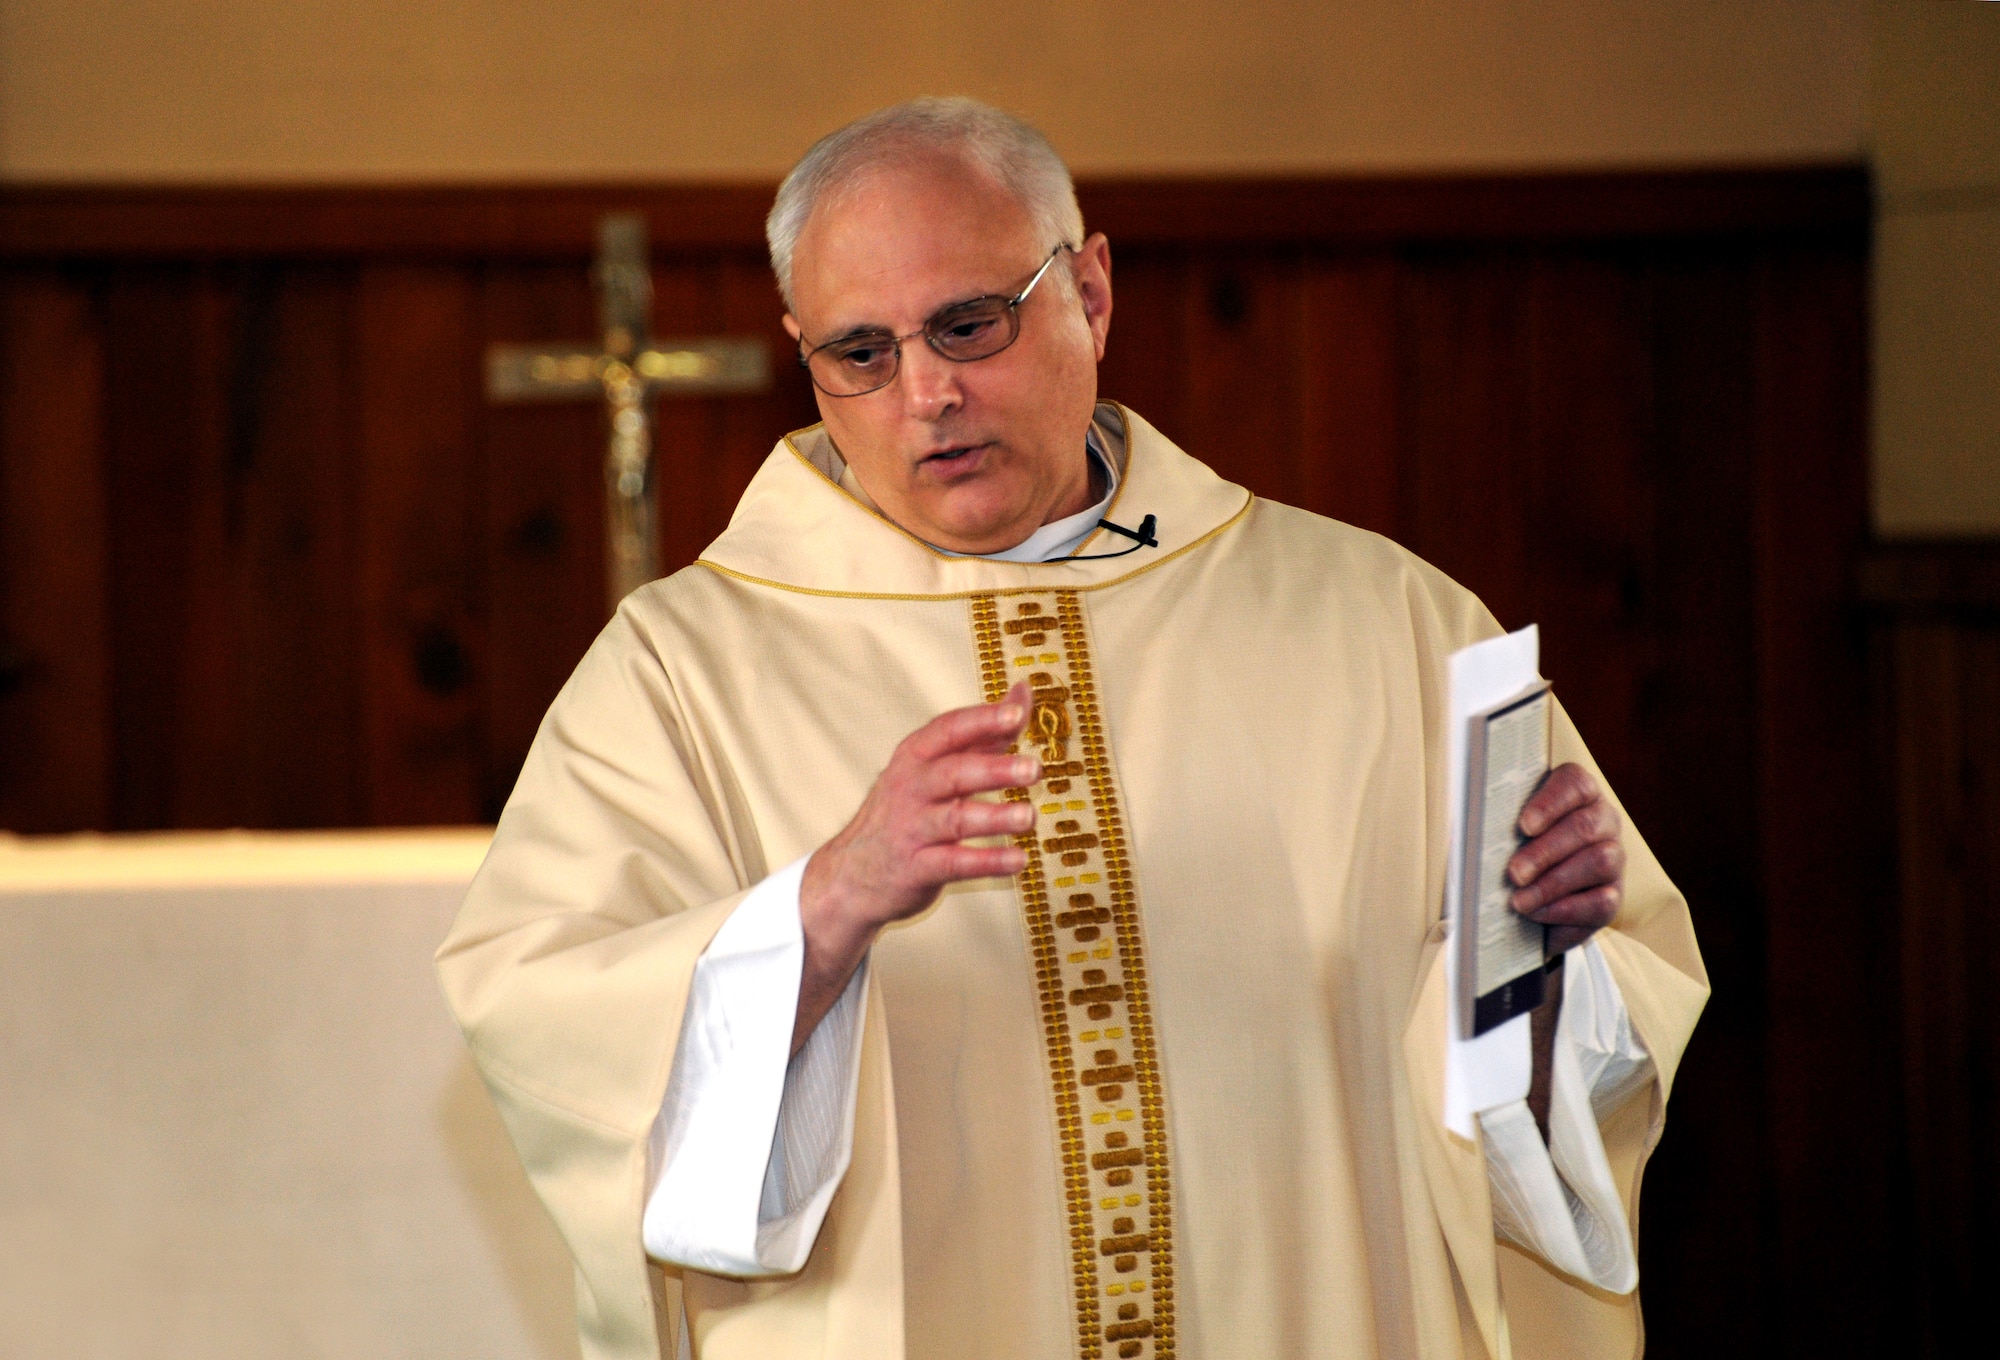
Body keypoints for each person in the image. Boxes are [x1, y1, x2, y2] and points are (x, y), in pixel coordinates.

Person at [437, 97, 1706, 1360]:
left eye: (967, 325)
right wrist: (824, 905)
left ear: (1090, 293)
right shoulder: (677, 673)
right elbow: (550, 1034)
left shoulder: (1387, 623)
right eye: (859, 354)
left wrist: (1540, 962)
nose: (924, 392)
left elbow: (1564, 1098)